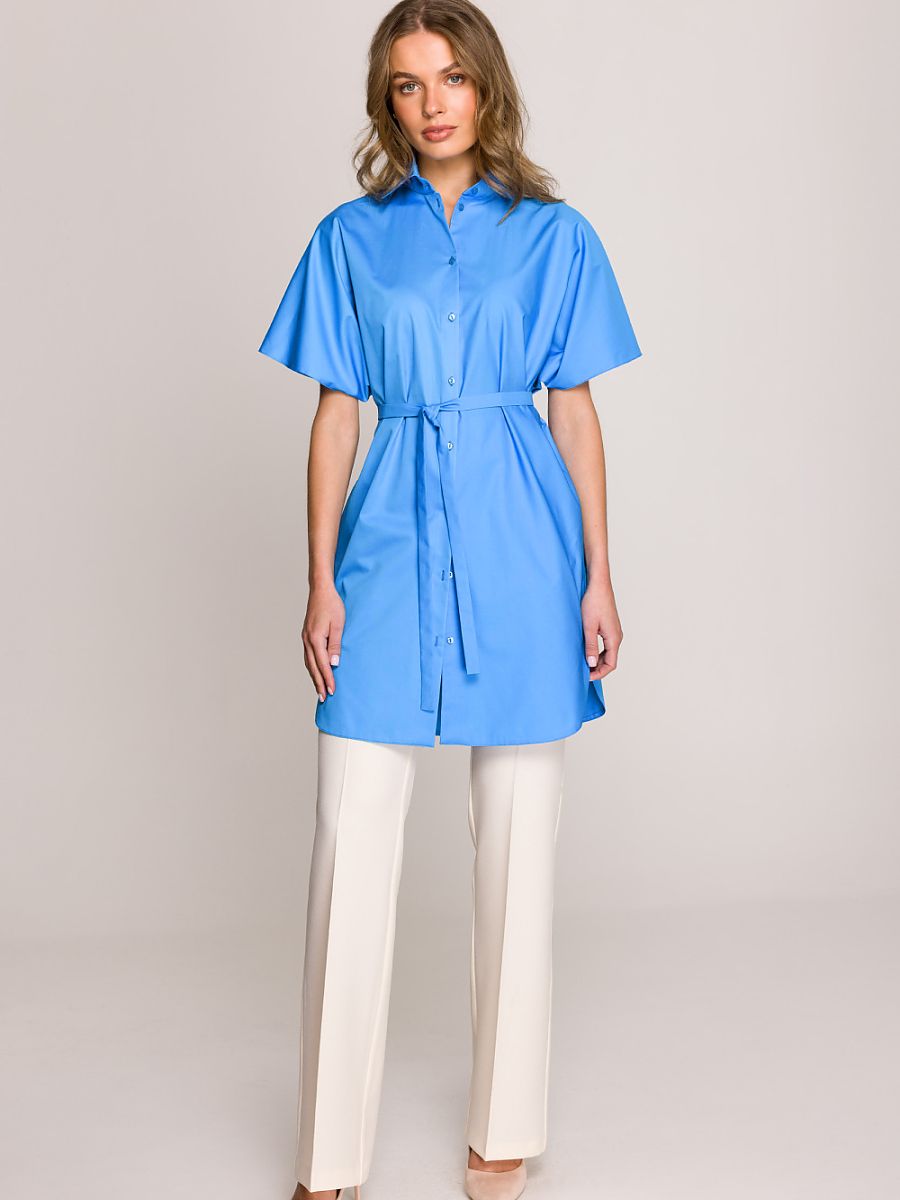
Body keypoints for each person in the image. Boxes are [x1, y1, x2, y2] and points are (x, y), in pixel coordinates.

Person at [257, 3, 642, 1197]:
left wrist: (599, 573)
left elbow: (575, 410)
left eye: (453, 78)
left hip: (524, 546)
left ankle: (502, 1130)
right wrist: (320, 577)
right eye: (408, 83)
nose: (433, 103)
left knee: (521, 841)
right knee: (350, 829)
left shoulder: (557, 236)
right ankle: (329, 1154)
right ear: (387, 102)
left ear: (488, 89)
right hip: (386, 545)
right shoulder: (348, 239)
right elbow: (336, 416)